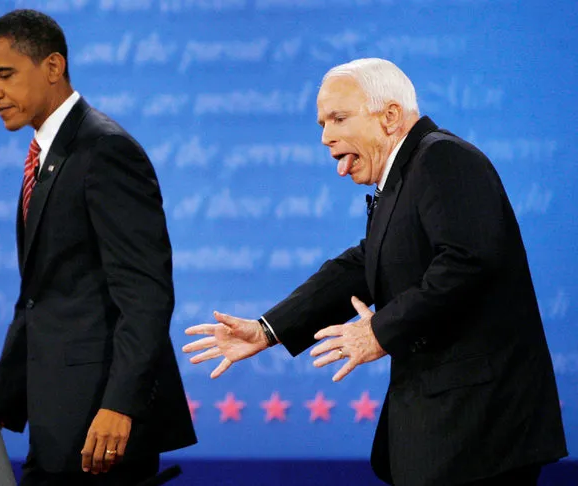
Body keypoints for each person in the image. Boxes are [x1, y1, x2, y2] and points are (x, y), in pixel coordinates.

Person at [183, 58, 567, 486]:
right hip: (447, 431)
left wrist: (380, 331)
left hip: (479, 430)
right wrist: (268, 329)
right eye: (322, 124)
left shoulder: (443, 158)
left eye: (338, 118)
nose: (326, 136)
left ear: (389, 116)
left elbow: (467, 262)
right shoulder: (407, 174)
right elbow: (363, 263)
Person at [0, 9, 196, 485]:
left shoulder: (104, 150)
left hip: (101, 426)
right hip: (58, 421)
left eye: (4, 74)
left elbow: (146, 296)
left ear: (52, 67)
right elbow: (38, 298)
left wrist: (120, 404)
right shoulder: (47, 156)